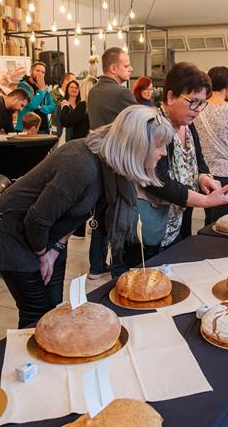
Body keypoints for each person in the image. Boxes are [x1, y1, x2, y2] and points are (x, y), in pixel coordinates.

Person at [0, 105, 173, 328]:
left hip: (48, 236)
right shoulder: (80, 163)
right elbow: (36, 219)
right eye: (158, 146)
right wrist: (44, 255)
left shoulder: (111, 165)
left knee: (53, 309)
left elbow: (77, 214)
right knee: (36, 314)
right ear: (136, 145)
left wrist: (56, 249)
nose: (163, 153)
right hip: (13, 235)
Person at [110, 63, 228, 278]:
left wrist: (205, 177)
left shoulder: (188, 125)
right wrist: (205, 201)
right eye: (192, 102)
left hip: (178, 221)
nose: (197, 110)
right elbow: (157, 180)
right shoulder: (153, 126)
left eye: (201, 104)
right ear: (170, 97)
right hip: (148, 226)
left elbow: (199, 160)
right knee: (142, 284)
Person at [86, 47, 138, 280]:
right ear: (113, 68)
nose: (131, 69)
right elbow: (142, 122)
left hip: (98, 157)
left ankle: (96, 265)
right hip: (118, 160)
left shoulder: (94, 91)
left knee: (100, 211)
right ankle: (118, 266)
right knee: (119, 212)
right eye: (127, 66)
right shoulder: (120, 93)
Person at [193, 66, 228, 225]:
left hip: (202, 172)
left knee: (208, 214)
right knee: (220, 219)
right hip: (224, 171)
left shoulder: (198, 106)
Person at [16, 61, 56, 133]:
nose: (40, 74)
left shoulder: (44, 88)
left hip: (43, 128)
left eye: (43, 72)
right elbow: (32, 105)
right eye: (37, 71)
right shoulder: (23, 86)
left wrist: (41, 108)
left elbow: (53, 107)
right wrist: (41, 90)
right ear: (31, 71)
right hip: (26, 128)